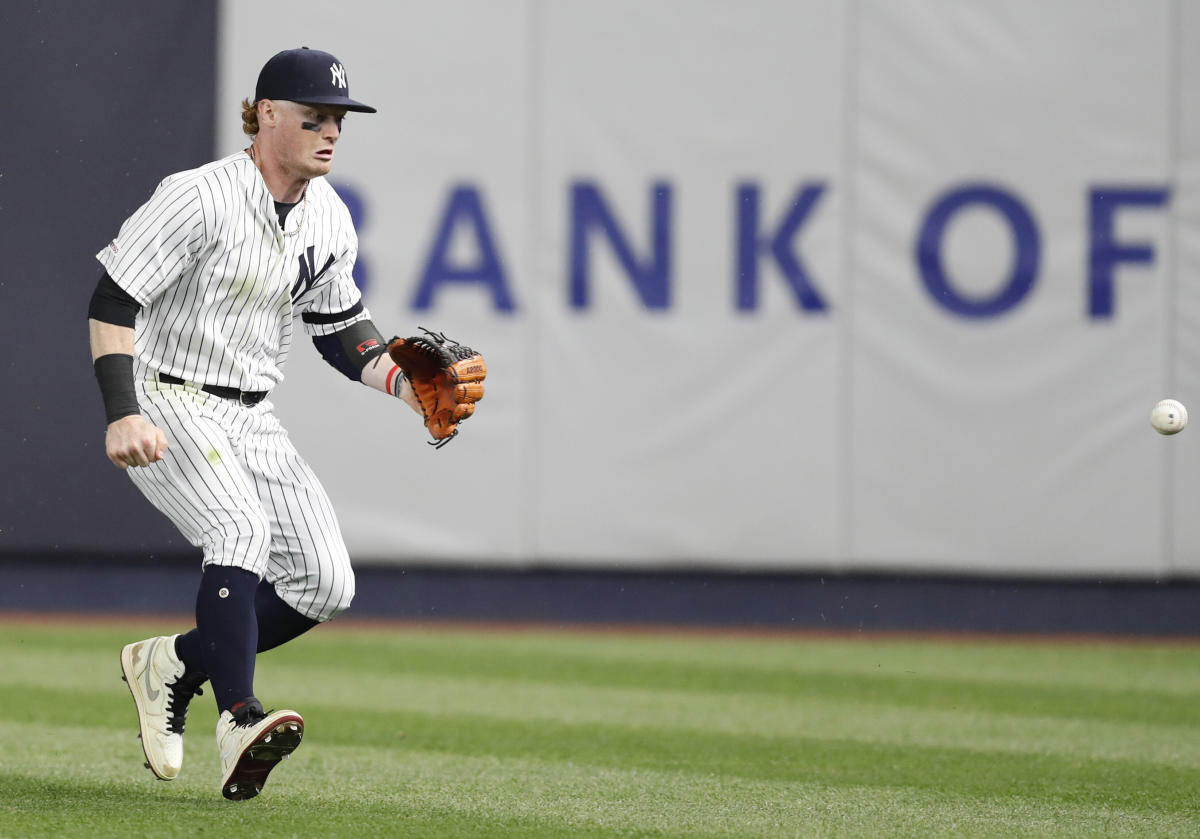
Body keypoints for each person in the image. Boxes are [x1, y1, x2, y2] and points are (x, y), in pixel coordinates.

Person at [88, 47, 422, 801]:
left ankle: (172, 662)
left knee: (325, 580)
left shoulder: (329, 213)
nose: (330, 132)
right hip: (169, 392)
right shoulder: (199, 195)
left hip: (251, 410)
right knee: (238, 530)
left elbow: (340, 329)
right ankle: (239, 716)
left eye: (337, 120)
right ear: (266, 114)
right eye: (313, 117)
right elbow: (113, 300)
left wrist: (403, 383)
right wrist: (122, 411)